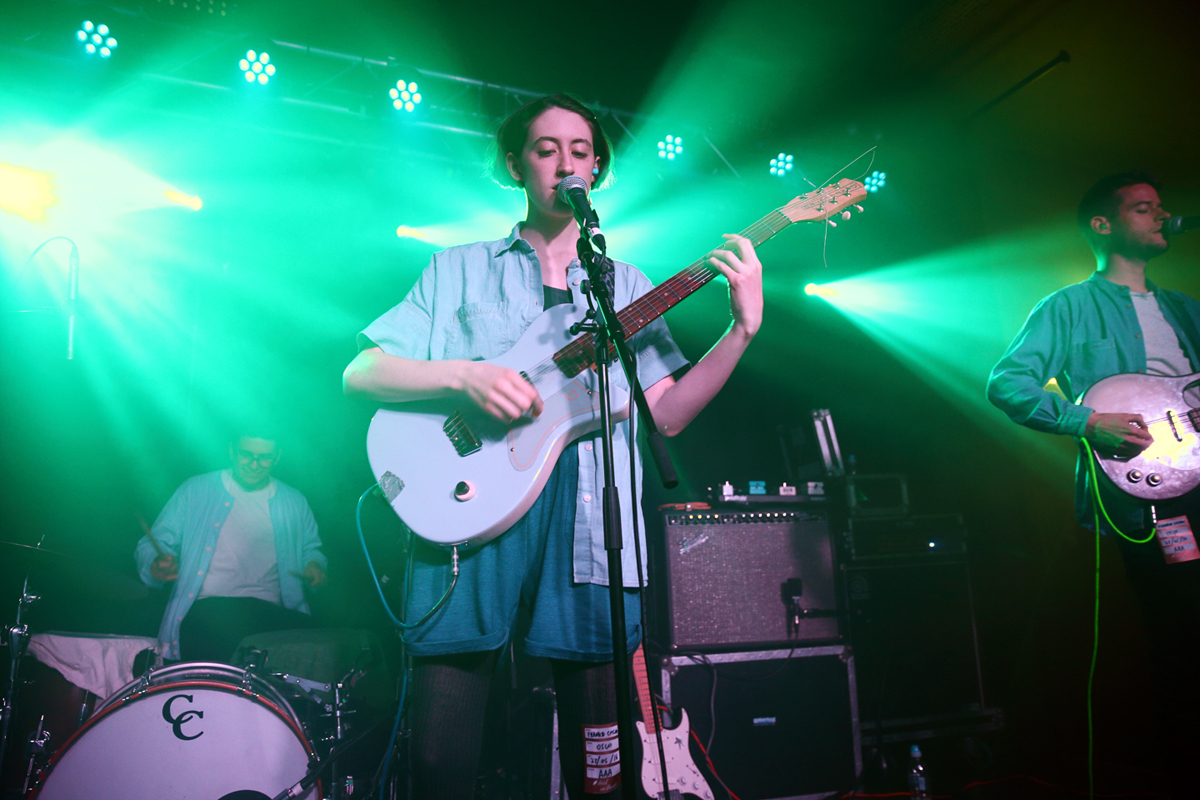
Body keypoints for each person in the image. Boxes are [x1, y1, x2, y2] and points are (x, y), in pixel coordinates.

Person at [343, 93, 763, 797]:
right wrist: (466, 376)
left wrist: (741, 329)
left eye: (580, 151)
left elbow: (669, 415)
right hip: (467, 521)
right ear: (516, 164)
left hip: (592, 533)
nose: (564, 164)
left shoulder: (625, 288)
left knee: (602, 774)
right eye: (546, 149)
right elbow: (361, 373)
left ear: (595, 170)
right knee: (441, 763)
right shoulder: (458, 270)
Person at [987, 171, 1200, 798]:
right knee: (1183, 635)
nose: (1160, 216)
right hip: (1151, 492)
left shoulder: (1186, 308)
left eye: (1161, 207)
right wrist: (1087, 421)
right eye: (1143, 208)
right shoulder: (1068, 307)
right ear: (1102, 226)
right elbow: (1008, 384)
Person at [135, 429, 328, 662]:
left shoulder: (293, 500)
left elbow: (311, 548)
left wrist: (315, 565)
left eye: (264, 457)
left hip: (270, 614)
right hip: (207, 610)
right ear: (231, 451)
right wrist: (156, 565)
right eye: (246, 455)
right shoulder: (196, 490)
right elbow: (152, 543)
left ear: (277, 457)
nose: (255, 465)